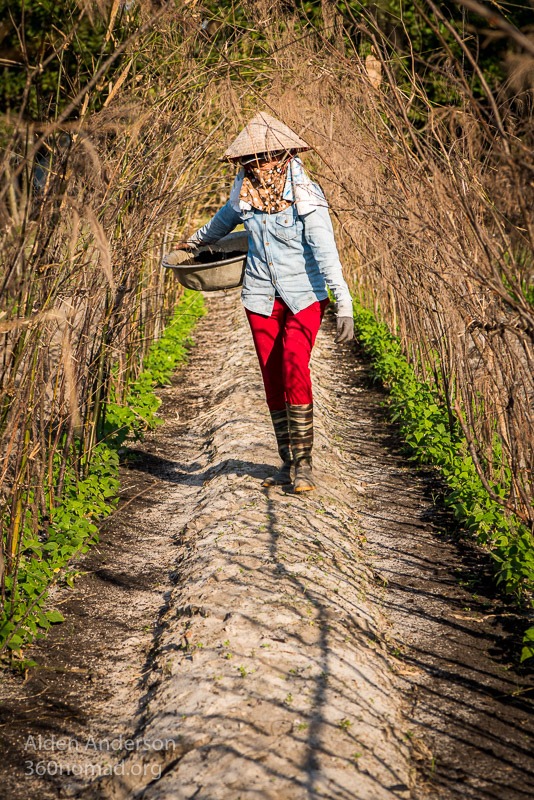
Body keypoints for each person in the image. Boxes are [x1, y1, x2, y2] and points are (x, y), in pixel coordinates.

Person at [178, 112, 354, 492]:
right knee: (273, 379)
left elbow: (327, 253)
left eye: (273, 155)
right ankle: (287, 460)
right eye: (256, 158)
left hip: (304, 296)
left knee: (294, 366)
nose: (265, 163)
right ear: (245, 161)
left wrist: (345, 305)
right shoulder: (243, 195)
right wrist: (193, 242)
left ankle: (304, 464)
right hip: (259, 298)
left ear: (287, 154)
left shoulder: (307, 195)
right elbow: (222, 222)